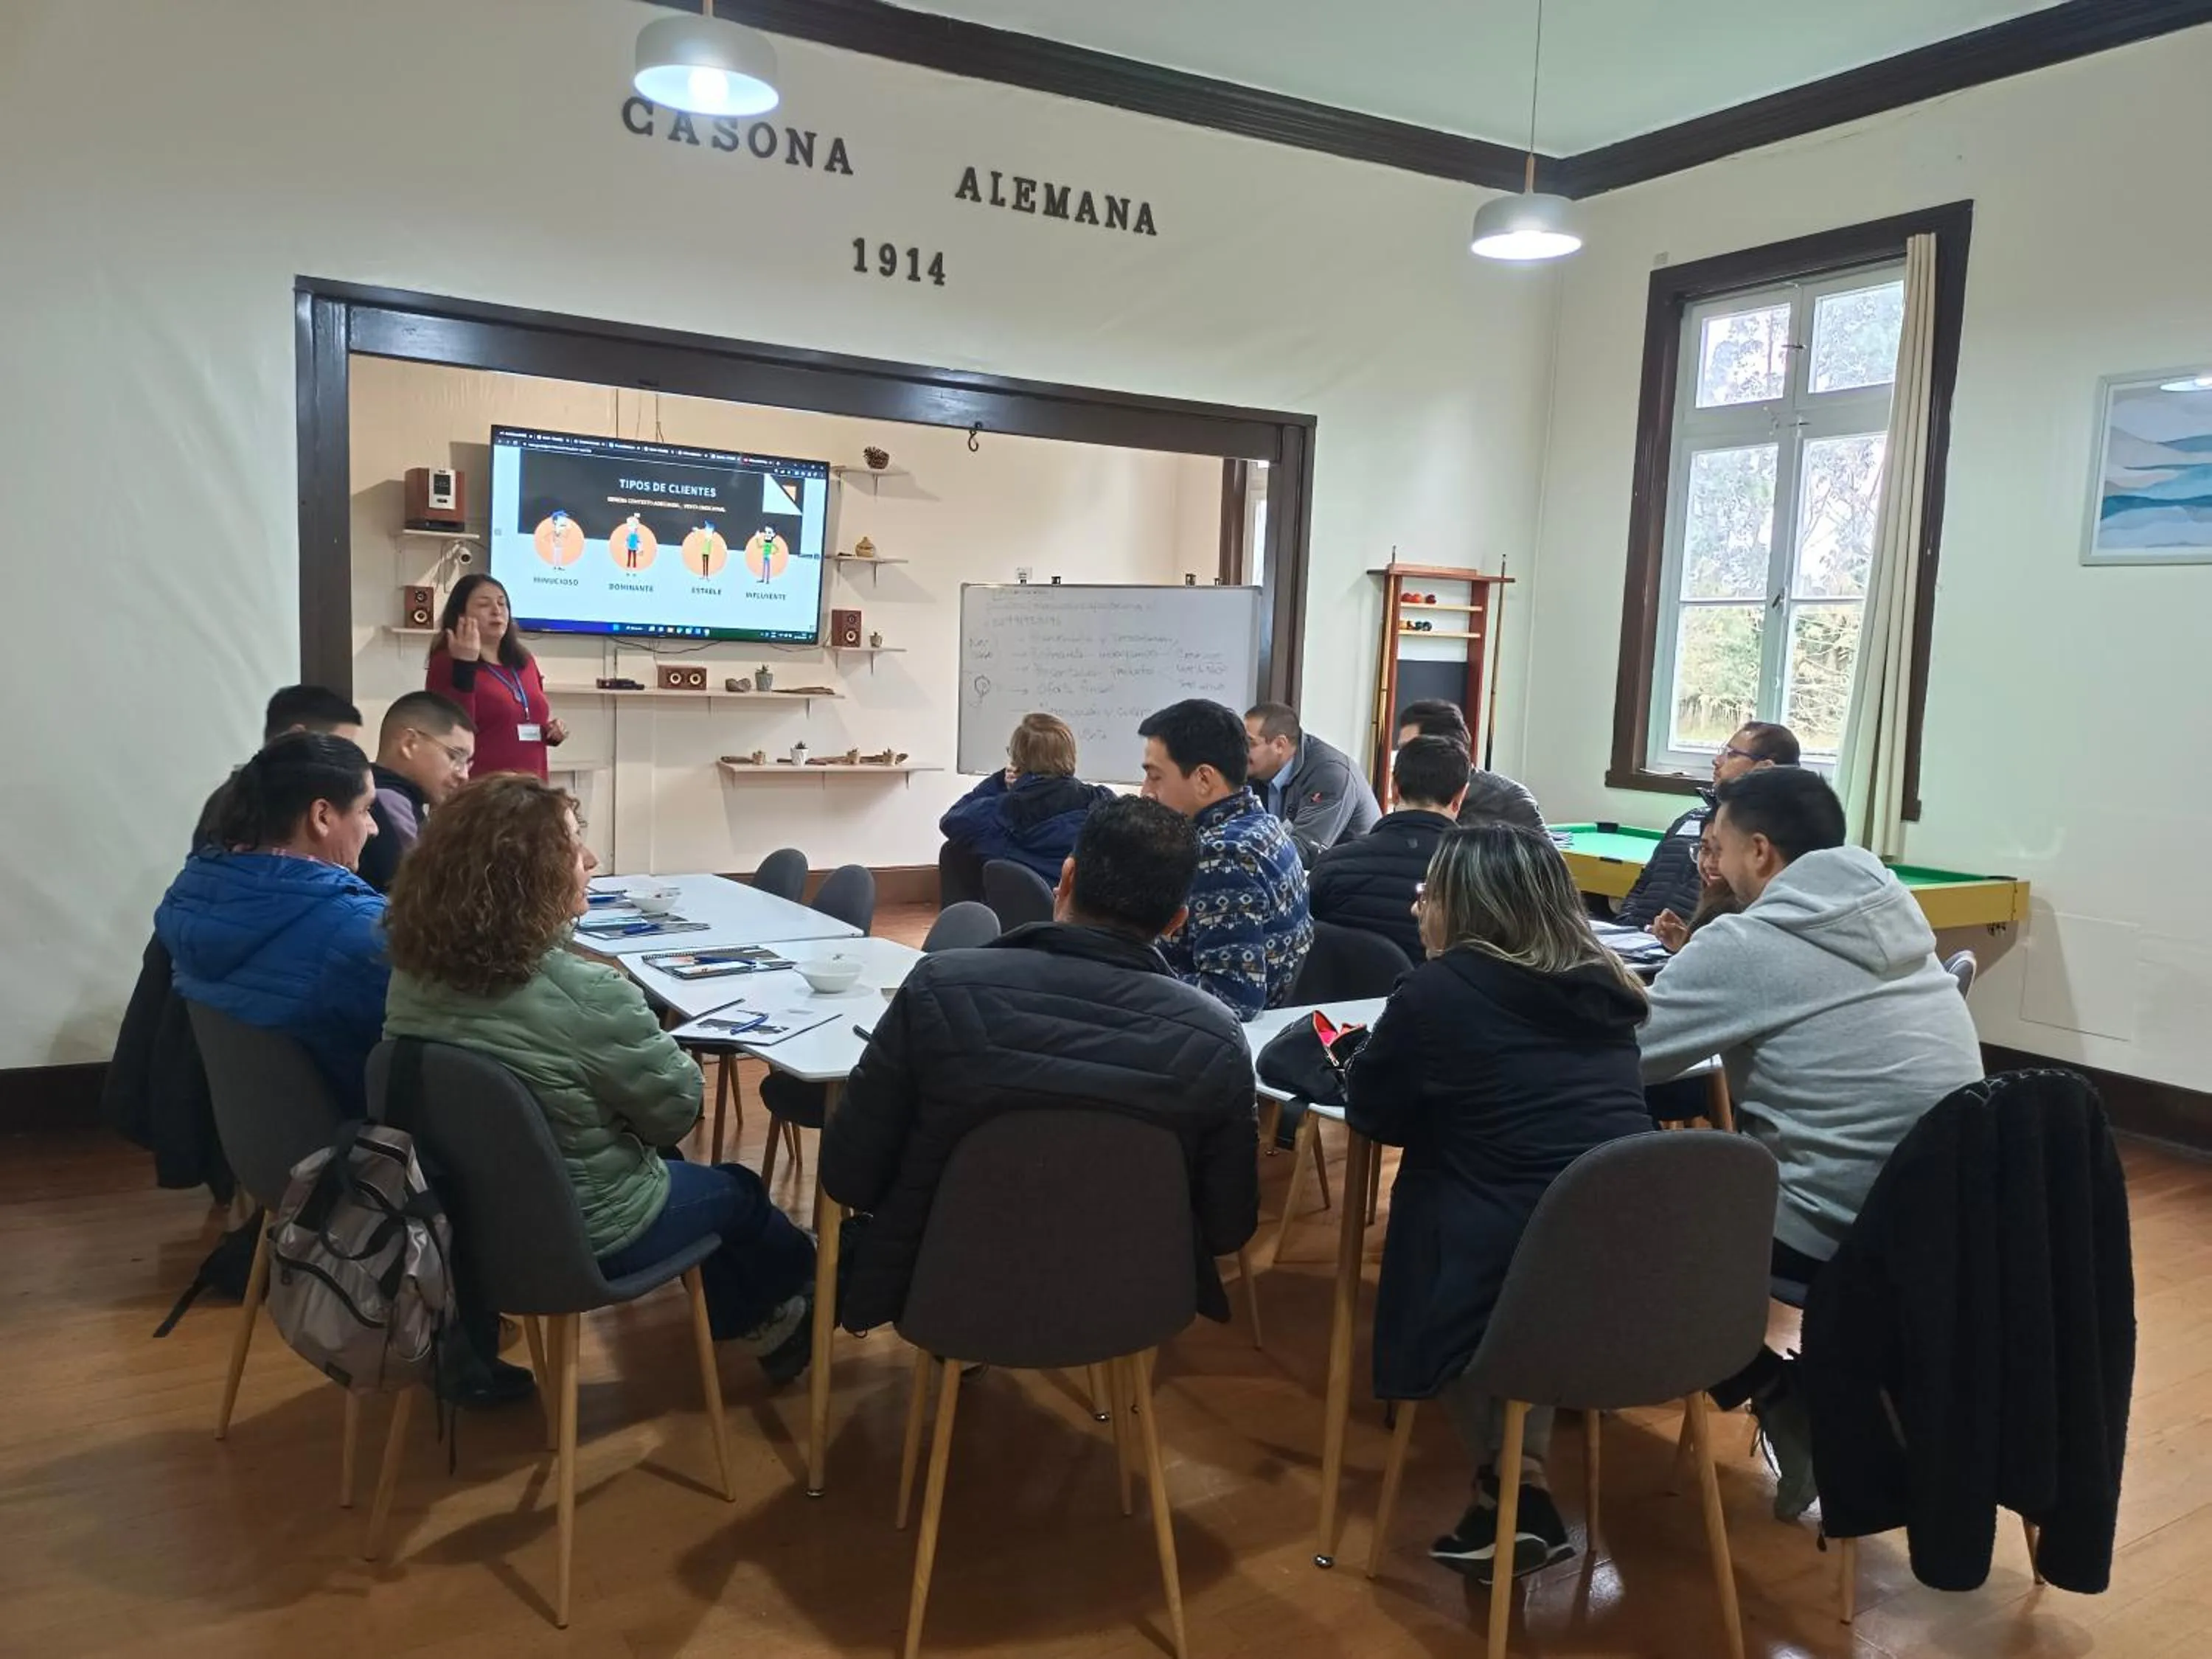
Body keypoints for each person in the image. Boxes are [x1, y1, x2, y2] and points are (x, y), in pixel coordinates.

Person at [382, 774, 818, 1378]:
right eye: (572, 846)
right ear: (527, 877)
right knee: (737, 1190)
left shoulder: (412, 974)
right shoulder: (587, 993)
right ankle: (789, 1311)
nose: (592, 860)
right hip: (585, 1234)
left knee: (670, 1161)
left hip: (455, 1222)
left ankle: (765, 1319)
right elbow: (676, 1111)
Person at [1638, 767, 1983, 1518]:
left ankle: (1777, 1394)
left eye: (1719, 850)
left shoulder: (1751, 941)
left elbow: (1626, 1053)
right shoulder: (1891, 911)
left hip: (1832, 1225)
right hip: (1942, 1220)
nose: (1713, 867)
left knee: (1625, 1218)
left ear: (1760, 852)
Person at [824, 795, 1260, 1334]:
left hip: (945, 1285)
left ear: (1067, 879)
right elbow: (1226, 1225)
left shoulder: (940, 988)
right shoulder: (1215, 1036)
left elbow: (849, 1174)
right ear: (1176, 922)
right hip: (1130, 1298)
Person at [1343, 822, 1652, 1583]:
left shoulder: (1439, 991)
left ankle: (1513, 1493)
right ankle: (1517, 1492)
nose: (1419, 907)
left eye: (1431, 892)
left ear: (1463, 905)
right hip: (1635, 1262)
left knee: (1436, 1211)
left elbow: (1376, 1114)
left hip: (1503, 1273)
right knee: (1511, 1223)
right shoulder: (1609, 985)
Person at [156, 732, 388, 1114]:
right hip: (367, 1150)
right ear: (323, 816)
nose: (374, 827)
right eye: (365, 810)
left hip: (270, 1138)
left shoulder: (193, 895)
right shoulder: (359, 933)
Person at [1138, 699, 1312, 1020]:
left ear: (1204, 779)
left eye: (1156, 777)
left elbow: (1233, 998)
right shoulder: (1260, 821)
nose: (1146, 792)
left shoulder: (1222, 855)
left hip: (1219, 1043)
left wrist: (1136, 974)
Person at [1615, 720, 1799, 931]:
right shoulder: (1691, 818)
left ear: (1764, 768)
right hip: (1634, 941)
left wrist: (1685, 943)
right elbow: (1642, 885)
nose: (1717, 761)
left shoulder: (1771, 839)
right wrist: (1624, 928)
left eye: (1731, 754)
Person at [1309, 735, 1470, 962]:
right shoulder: (1478, 876)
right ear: (1460, 798)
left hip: (1348, 996)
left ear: (1394, 789)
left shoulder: (1333, 865)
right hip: (1437, 996)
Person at [936, 712, 1116, 903]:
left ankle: (969, 930)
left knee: (954, 850)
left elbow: (951, 820)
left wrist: (998, 782)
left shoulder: (1002, 811)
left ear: (1018, 761)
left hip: (1022, 914)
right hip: (1081, 913)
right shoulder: (1102, 802)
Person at [425, 574, 566, 780]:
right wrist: (465, 665)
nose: (497, 611)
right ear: (461, 614)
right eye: (484, 604)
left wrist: (550, 731)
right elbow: (451, 730)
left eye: (502, 604)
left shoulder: (524, 661)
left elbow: (523, 719)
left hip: (532, 788)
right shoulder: (448, 661)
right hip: (480, 792)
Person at [193, 684, 364, 849]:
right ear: (297, 734)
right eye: (339, 747)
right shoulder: (247, 802)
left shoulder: (241, 795)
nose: (348, 762)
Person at [356, 691, 476, 894]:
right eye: (454, 757)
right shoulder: (387, 800)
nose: (464, 775)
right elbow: (423, 895)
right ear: (409, 743)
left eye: (467, 763)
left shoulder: (396, 797)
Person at [1243, 702, 1380, 864]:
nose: (1241, 750)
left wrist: (1238, 853)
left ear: (1280, 745)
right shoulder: (1257, 770)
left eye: (1250, 743)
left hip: (1352, 881)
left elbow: (1306, 851)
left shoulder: (1331, 774)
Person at [1394, 699, 1544, 832]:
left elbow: (1548, 862)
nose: (1402, 758)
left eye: (1409, 749)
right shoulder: (1409, 794)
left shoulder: (1509, 800)